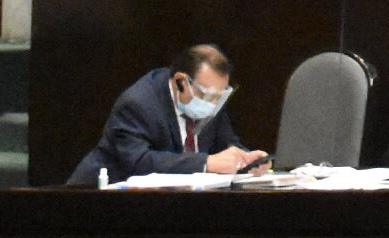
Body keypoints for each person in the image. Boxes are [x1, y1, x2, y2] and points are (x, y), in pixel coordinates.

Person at [65, 44, 268, 184]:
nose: (212, 104)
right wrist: (206, 163)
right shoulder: (138, 104)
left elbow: (226, 145)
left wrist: (246, 161)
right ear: (181, 81)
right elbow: (138, 162)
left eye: (219, 96)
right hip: (98, 202)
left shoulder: (211, 102)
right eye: (206, 95)